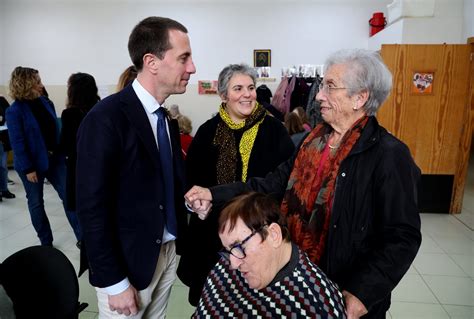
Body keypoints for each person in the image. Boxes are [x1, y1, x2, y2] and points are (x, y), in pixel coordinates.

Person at [185, 49, 422, 318]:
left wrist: (362, 293)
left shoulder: (389, 155)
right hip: (298, 281)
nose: (319, 95)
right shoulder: (312, 142)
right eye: (322, 86)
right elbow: (269, 184)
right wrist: (213, 194)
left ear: (360, 98)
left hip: (343, 293)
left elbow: (402, 236)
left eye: (330, 87)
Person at [76, 16, 196, 318]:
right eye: (184, 58)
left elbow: (158, 184)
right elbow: (91, 207)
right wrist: (113, 282)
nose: (192, 68)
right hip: (127, 262)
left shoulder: (165, 119)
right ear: (151, 62)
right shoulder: (106, 119)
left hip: (165, 251)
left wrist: (190, 204)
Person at [177, 63, 295, 306]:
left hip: (259, 234)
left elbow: (284, 181)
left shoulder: (274, 130)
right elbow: (192, 182)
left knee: (256, 302)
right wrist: (196, 204)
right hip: (212, 235)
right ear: (223, 95)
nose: (247, 94)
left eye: (250, 88)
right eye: (238, 88)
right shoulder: (208, 132)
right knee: (216, 301)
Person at [193, 192, 346, 318]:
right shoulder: (230, 261)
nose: (233, 264)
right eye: (228, 250)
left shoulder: (318, 307)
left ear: (273, 235)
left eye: (239, 247)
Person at [6, 67, 82, 246]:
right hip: (31, 165)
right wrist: (28, 168)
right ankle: (46, 242)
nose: (41, 85)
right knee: (36, 203)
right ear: (26, 84)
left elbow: (55, 131)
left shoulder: (45, 102)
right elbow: (18, 143)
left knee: (69, 196)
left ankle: (82, 238)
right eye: (37, 81)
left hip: (54, 160)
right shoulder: (14, 111)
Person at [59, 72, 100, 212]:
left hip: (79, 167)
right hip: (99, 164)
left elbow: (66, 144)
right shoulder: (101, 108)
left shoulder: (70, 114)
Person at [0, 96, 15, 202]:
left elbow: (9, 113)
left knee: (3, 166)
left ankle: (4, 189)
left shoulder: (1, 100)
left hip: (2, 138)